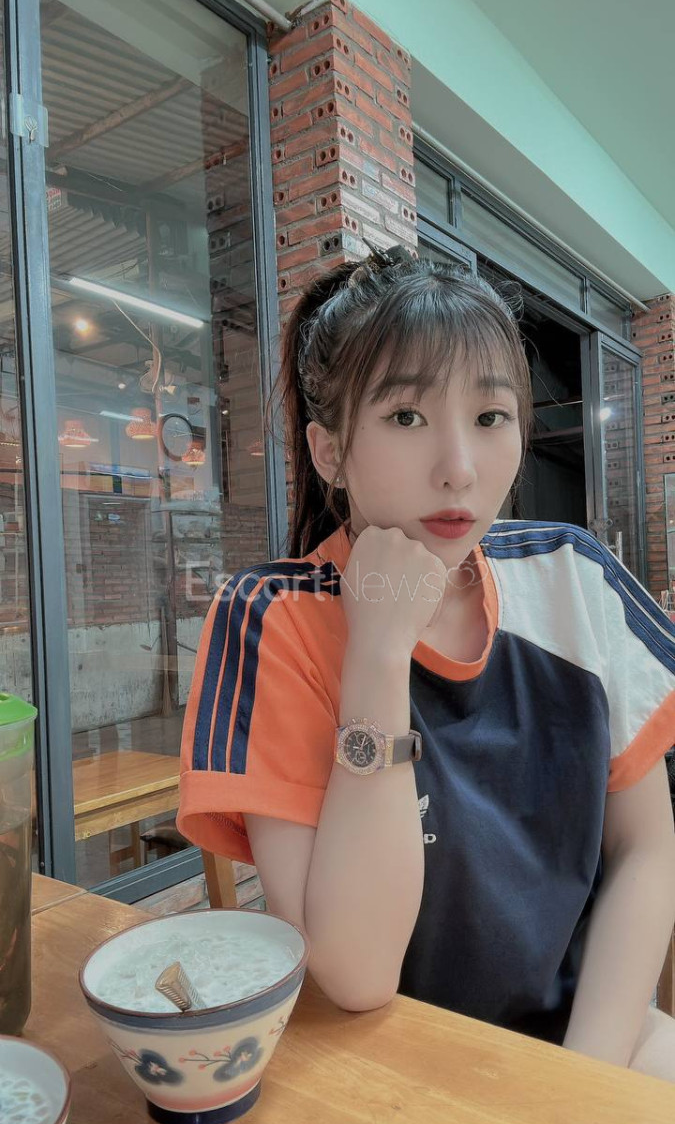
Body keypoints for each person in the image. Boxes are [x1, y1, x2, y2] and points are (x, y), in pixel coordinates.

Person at [177, 240, 675, 1079]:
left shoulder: (571, 576)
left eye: (490, 417)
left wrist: (581, 1079)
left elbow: (645, 851)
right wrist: (376, 652)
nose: (459, 470)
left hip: (591, 1041)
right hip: (386, 1069)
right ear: (330, 451)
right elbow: (355, 974)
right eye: (406, 417)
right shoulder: (271, 619)